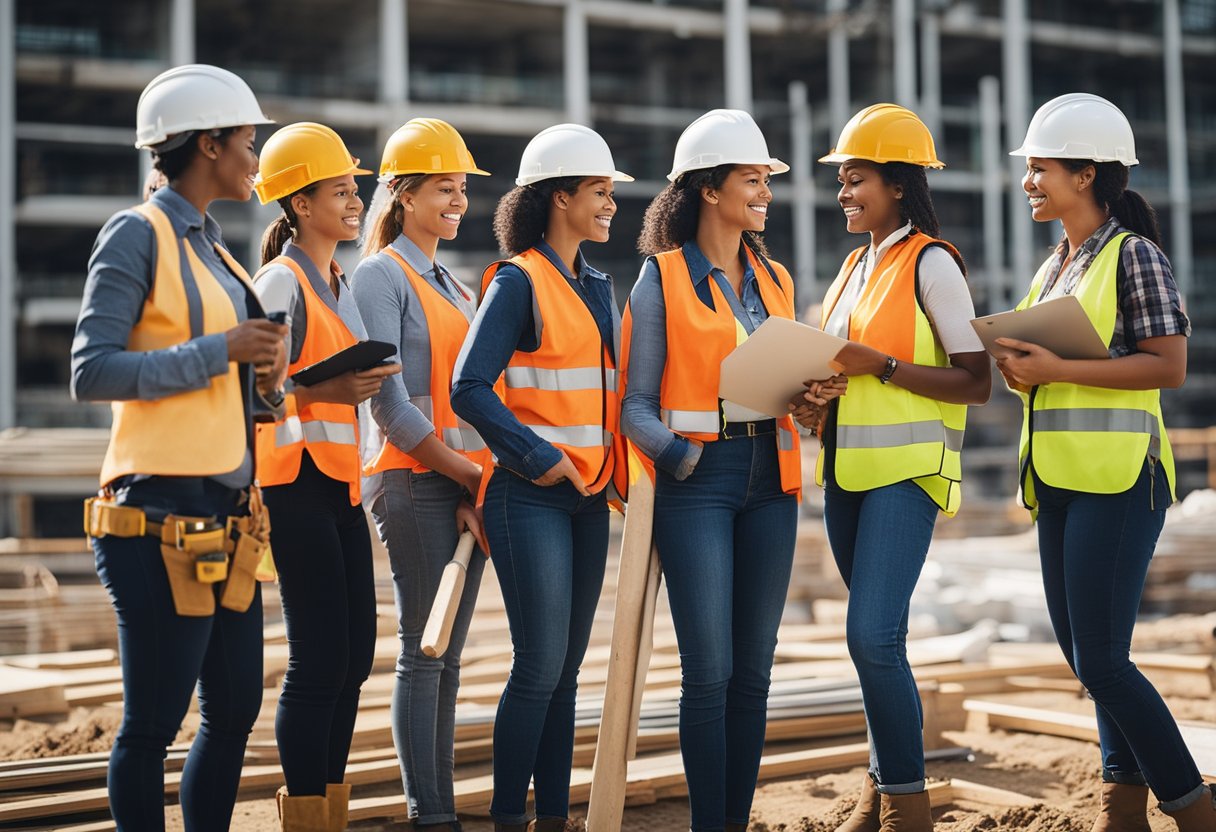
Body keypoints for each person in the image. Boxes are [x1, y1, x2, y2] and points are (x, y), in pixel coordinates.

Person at [71, 64, 281, 831]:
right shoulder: (137, 233)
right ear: (208, 143)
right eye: (247, 141)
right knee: (154, 724)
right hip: (156, 514)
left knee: (233, 711)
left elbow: (232, 384)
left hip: (227, 513)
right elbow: (91, 371)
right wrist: (218, 349)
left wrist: (269, 377)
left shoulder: (220, 252)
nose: (255, 155)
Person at [1000, 93, 1213, 832]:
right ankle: (1121, 809)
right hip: (1060, 479)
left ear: (1086, 175)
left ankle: (1191, 807)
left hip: (1121, 479)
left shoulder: (1135, 256)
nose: (1029, 182)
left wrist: (1054, 366)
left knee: (1103, 661)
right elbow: (1053, 370)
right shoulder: (1054, 267)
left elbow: (1169, 365)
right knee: (1089, 659)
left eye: (1040, 169)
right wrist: (1025, 370)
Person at [805, 103, 991, 832]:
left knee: (871, 636)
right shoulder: (853, 267)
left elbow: (976, 381)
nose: (845, 192)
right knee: (877, 639)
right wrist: (816, 395)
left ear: (898, 185)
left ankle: (907, 808)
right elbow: (847, 368)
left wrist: (878, 365)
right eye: (843, 180)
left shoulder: (932, 262)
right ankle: (886, 790)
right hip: (847, 475)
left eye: (857, 179)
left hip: (907, 475)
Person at [620, 108, 804, 832]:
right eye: (751, 178)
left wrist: (813, 390)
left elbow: (783, 378)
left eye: (766, 179)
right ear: (706, 189)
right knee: (711, 672)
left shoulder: (778, 277)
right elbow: (634, 406)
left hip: (774, 482)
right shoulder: (658, 279)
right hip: (697, 485)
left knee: (754, 676)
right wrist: (682, 456)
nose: (764, 191)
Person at [449, 123, 632, 832]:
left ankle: (553, 819)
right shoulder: (519, 280)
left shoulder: (595, 283)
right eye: (599, 191)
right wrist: (536, 456)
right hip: (528, 496)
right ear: (560, 197)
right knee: (539, 665)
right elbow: (470, 387)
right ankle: (507, 820)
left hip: (587, 500)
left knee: (566, 676)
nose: (611, 203)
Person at [251, 122, 399, 831]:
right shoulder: (282, 280)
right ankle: (307, 818)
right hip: (292, 480)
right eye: (339, 191)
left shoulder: (335, 279)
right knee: (319, 661)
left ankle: (328, 811)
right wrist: (323, 391)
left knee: (355, 657)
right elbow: (255, 390)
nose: (354, 201)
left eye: (354, 189)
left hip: (338, 484)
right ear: (299, 205)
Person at [350, 118, 492, 832]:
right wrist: (466, 474)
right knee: (422, 648)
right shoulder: (380, 275)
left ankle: (439, 811)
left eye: (462, 189)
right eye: (443, 188)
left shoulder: (457, 288)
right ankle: (428, 814)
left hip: (458, 484)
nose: (458, 200)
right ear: (403, 195)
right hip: (411, 478)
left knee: (451, 655)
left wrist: (473, 483)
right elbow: (388, 401)